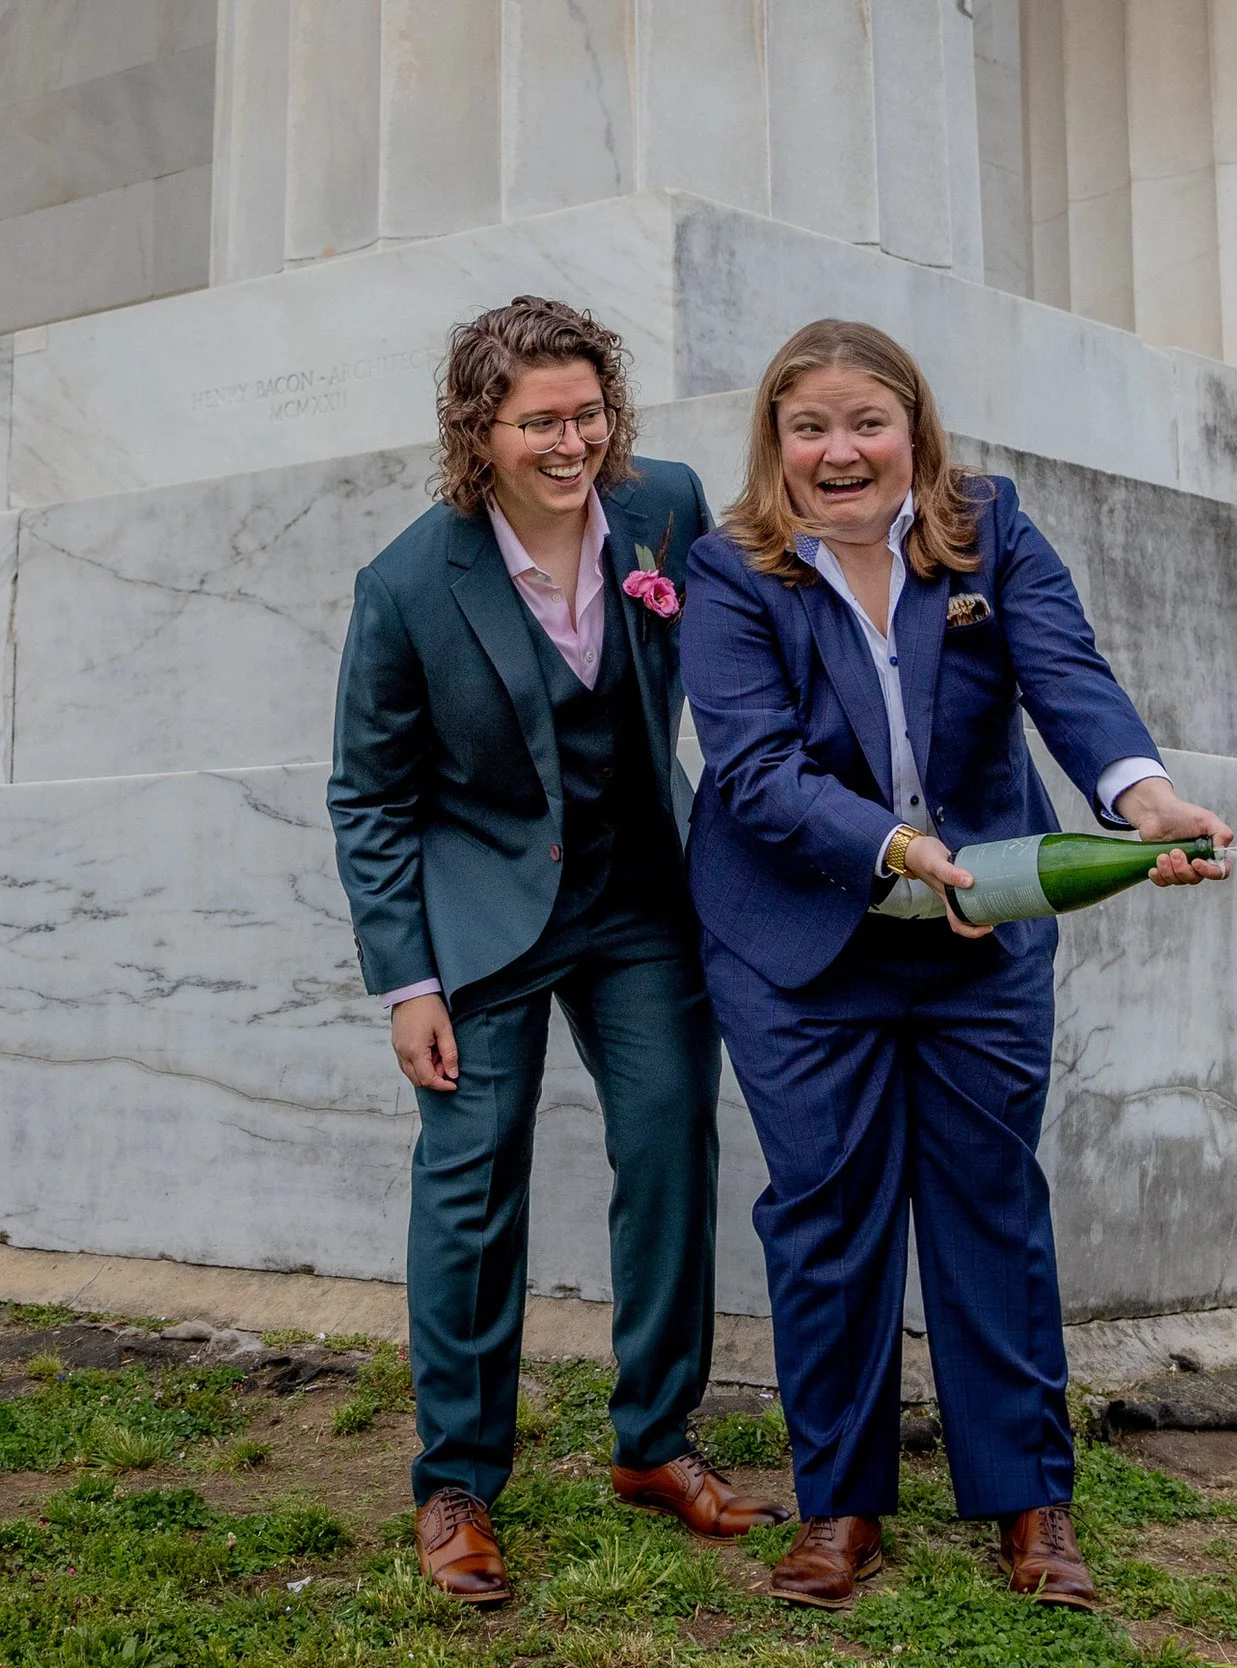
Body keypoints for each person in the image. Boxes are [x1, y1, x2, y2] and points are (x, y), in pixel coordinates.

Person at [680, 319, 1230, 1612]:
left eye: (865, 421)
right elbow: (753, 770)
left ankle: (1031, 1507)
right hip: (800, 938)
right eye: (806, 426)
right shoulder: (727, 567)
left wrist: (1142, 800)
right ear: (774, 445)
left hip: (984, 926)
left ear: (914, 431)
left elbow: (1066, 676)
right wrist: (900, 851)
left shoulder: (990, 526)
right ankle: (841, 1509)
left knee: (990, 1202)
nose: (839, 450)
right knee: (827, 1216)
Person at [328, 296, 789, 1605]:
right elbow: (368, 794)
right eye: (542, 421)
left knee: (668, 1143)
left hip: (642, 899)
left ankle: (655, 1443)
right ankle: (459, 1483)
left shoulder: (669, 509)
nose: (573, 440)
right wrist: (407, 979)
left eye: (588, 413)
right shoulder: (410, 583)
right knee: (470, 1183)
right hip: (482, 919)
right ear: (480, 428)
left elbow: (744, 643)